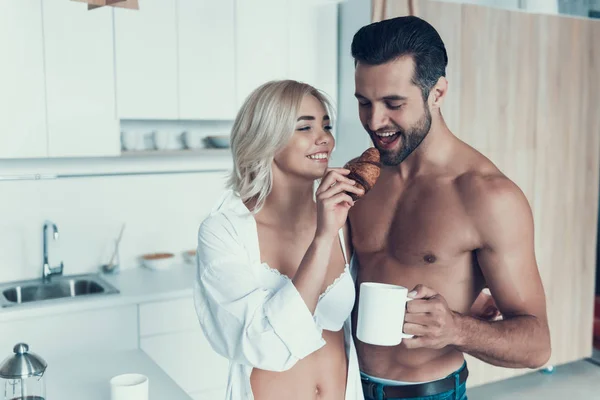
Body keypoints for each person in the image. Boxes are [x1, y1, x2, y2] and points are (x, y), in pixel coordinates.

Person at [347, 16, 551, 400]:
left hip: (427, 393)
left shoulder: (488, 197)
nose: (375, 121)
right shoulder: (364, 175)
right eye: (364, 103)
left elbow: (537, 344)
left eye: (394, 104)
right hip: (344, 387)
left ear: (437, 92)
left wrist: (456, 329)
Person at [193, 80, 366, 400]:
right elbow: (263, 342)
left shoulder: (343, 219)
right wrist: (322, 237)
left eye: (326, 126)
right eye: (305, 127)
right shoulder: (223, 231)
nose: (324, 138)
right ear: (266, 138)